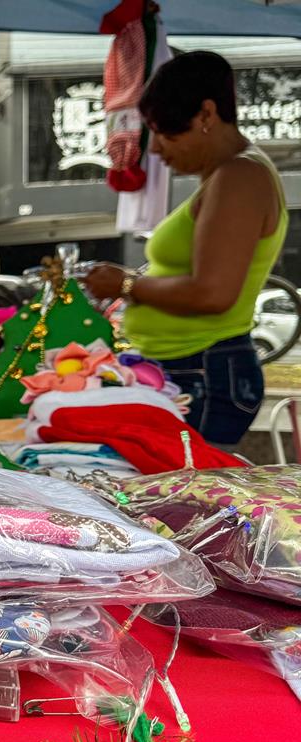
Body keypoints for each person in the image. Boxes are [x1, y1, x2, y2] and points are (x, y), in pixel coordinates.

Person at [86, 52, 287, 447]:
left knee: (183, 486)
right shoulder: (227, 176)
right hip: (193, 369)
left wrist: (126, 285)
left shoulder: (240, 177)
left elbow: (212, 293)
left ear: (206, 115)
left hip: (203, 372)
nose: (156, 149)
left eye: (166, 133)